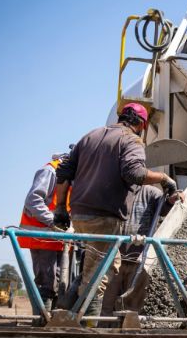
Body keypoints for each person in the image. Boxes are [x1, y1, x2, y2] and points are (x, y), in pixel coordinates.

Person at [54, 103, 178, 319]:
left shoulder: (90, 136)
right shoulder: (131, 139)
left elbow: (63, 172)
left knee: (91, 270)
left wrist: (60, 210)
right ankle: (86, 326)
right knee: (101, 273)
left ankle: (68, 312)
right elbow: (135, 173)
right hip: (105, 216)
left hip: (79, 214)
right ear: (141, 125)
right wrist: (164, 178)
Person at [100, 184, 182, 317]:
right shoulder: (114, 189)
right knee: (105, 303)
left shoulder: (151, 193)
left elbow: (165, 208)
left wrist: (171, 200)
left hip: (138, 260)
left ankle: (127, 333)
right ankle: (101, 332)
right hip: (113, 258)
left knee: (132, 307)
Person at [18, 152, 71, 315]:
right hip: (42, 236)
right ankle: (41, 323)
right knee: (46, 283)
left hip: (56, 238)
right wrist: (54, 221)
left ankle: (50, 323)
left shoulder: (69, 176)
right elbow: (33, 201)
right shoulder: (50, 171)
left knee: (57, 284)